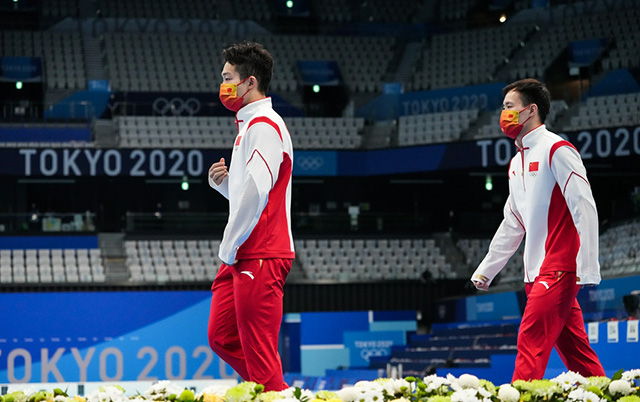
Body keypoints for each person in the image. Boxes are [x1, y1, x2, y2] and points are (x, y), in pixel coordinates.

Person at [470, 78, 605, 381]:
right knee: (578, 355)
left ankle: (517, 398)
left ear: (531, 110)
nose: (503, 114)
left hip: (559, 268)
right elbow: (513, 222)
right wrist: (486, 270)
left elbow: (584, 206)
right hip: (534, 273)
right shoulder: (516, 163)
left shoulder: (557, 149)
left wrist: (588, 266)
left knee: (530, 342)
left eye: (509, 107)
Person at [207, 41, 295, 391]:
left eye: (228, 78)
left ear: (250, 82)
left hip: (261, 251)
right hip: (245, 250)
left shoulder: (264, 126)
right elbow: (251, 190)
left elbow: (258, 193)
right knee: (221, 336)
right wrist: (225, 186)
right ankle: (272, 389)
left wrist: (228, 245)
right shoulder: (248, 127)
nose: (223, 85)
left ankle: (272, 391)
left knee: (259, 355)